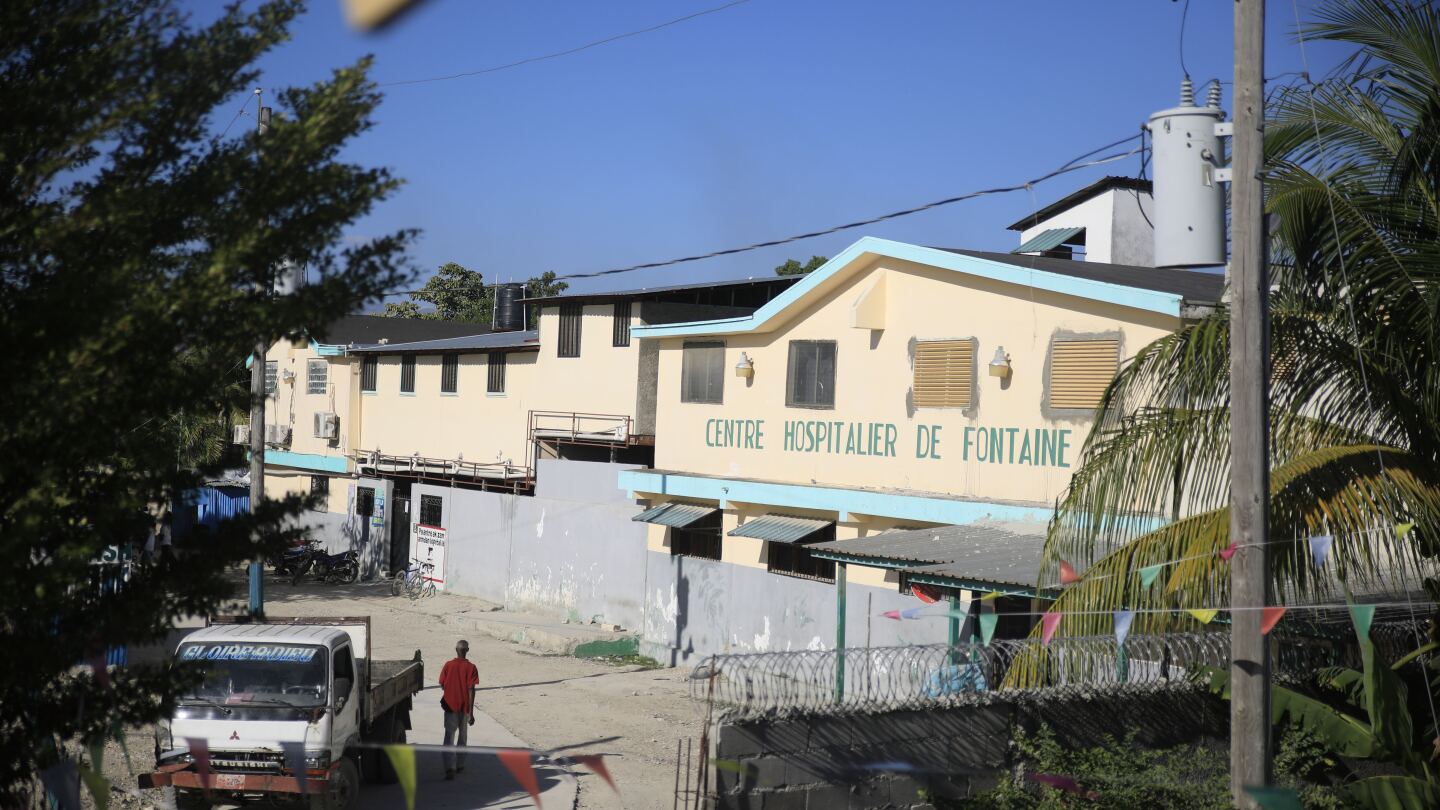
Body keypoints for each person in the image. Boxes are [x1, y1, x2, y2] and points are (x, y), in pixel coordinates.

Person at [438, 639, 479, 779]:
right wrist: (471, 713)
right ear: (467, 650)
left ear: (456, 650)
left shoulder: (448, 665)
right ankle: (460, 765)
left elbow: (442, 684)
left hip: (450, 706)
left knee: (449, 736)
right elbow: (471, 690)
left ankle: (449, 768)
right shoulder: (472, 667)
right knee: (462, 737)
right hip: (465, 708)